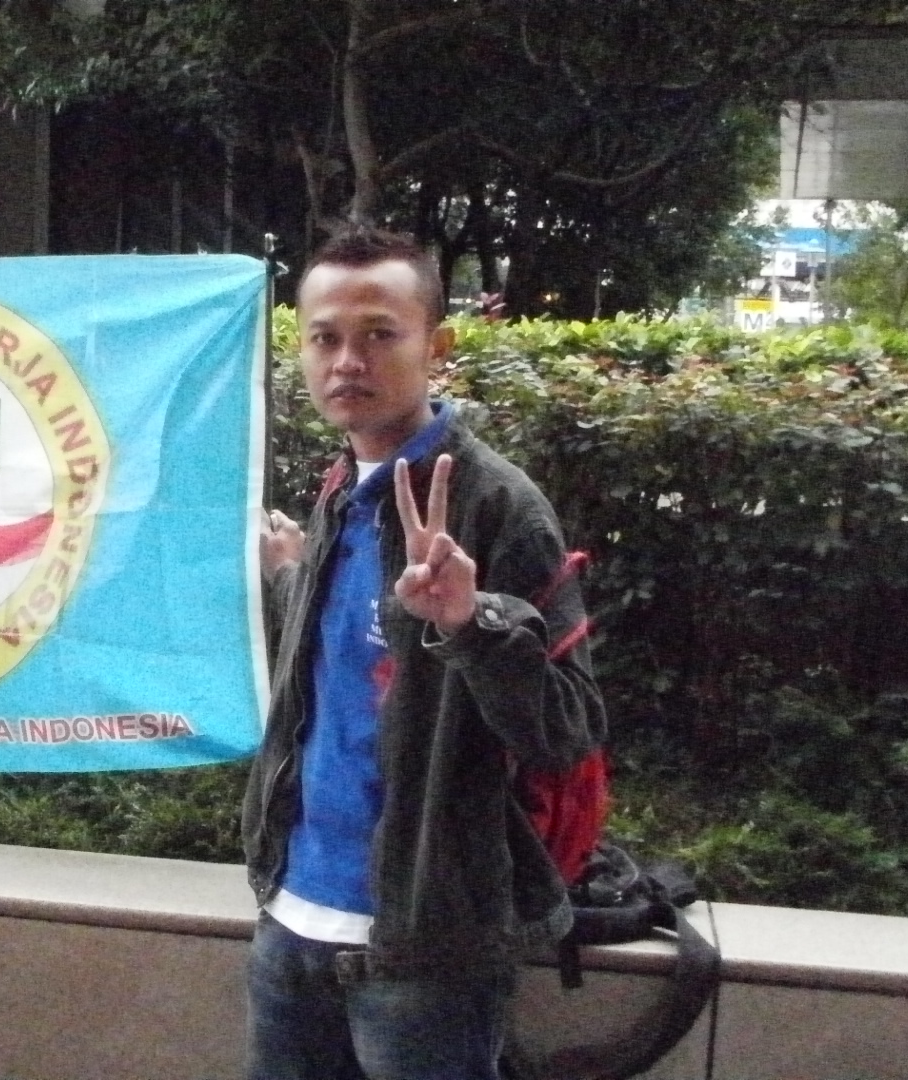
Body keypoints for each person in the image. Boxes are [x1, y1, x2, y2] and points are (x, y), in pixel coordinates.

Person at [243, 227, 604, 1080]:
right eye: (325, 337)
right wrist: (292, 576)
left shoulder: (500, 508)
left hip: (424, 949)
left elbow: (569, 730)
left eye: (379, 334)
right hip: (290, 918)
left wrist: (469, 622)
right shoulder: (341, 487)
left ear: (436, 346)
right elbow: (354, 653)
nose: (346, 362)